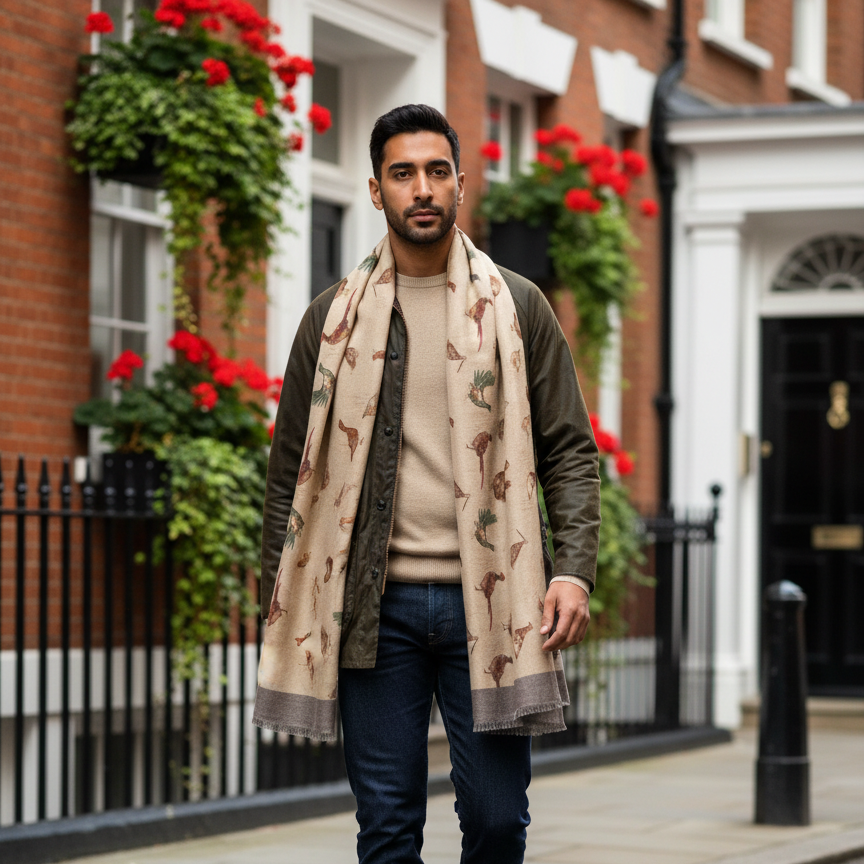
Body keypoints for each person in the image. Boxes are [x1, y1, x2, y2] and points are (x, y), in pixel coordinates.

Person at [253, 104, 600, 864]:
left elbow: (570, 450)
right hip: (375, 611)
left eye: (437, 171)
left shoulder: (519, 306)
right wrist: (281, 596)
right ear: (376, 189)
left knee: (498, 821)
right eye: (403, 173)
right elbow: (290, 476)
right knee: (386, 829)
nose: (422, 189)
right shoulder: (329, 320)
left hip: (495, 603)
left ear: (461, 184)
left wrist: (573, 569)